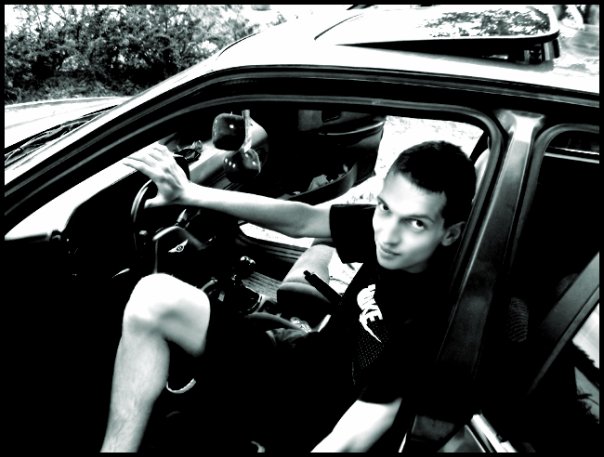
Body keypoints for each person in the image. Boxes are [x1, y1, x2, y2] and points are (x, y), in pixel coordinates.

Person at [101, 139, 476, 452]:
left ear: (451, 233)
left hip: (318, 419)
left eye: (415, 223)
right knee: (152, 297)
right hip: (300, 363)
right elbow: (302, 220)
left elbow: (363, 425)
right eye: (384, 208)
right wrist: (190, 193)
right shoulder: (390, 229)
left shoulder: (434, 312)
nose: (388, 235)